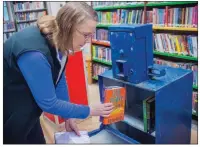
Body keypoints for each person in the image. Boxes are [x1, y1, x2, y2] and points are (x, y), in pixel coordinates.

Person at [3, 2, 113, 144]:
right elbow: (48, 103)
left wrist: (68, 117)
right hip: (10, 111)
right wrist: (90, 110)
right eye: (86, 35)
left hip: (28, 109)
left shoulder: (59, 40)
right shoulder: (34, 54)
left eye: (91, 35)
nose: (88, 41)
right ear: (68, 28)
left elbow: (59, 79)